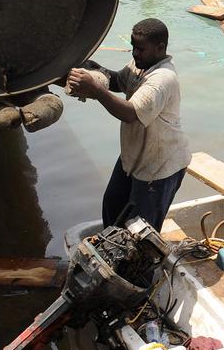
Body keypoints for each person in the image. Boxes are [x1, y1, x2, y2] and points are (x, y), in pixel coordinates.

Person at [66, 18, 191, 231]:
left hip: (159, 167)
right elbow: (118, 81)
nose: (134, 53)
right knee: (112, 207)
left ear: (160, 48)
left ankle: (140, 264)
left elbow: (130, 113)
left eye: (140, 49)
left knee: (141, 232)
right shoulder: (140, 64)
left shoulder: (162, 79)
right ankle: (113, 257)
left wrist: (95, 90)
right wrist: (94, 70)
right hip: (133, 157)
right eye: (133, 47)